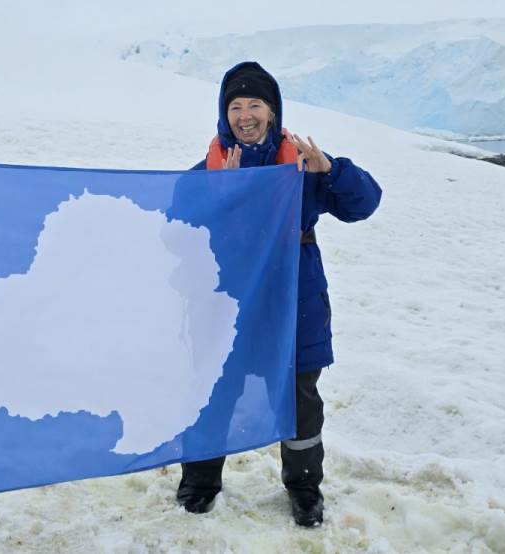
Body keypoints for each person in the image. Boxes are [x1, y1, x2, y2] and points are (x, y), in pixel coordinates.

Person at [176, 61, 382, 527]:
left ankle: (304, 488)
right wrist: (217, 193)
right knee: (214, 389)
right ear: (224, 113)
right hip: (228, 301)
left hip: (295, 299)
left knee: (299, 399)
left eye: (255, 104)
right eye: (235, 106)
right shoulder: (210, 169)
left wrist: (333, 171)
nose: (244, 115)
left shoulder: (303, 163)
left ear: (272, 111)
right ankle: (200, 482)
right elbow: (176, 224)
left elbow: (364, 204)